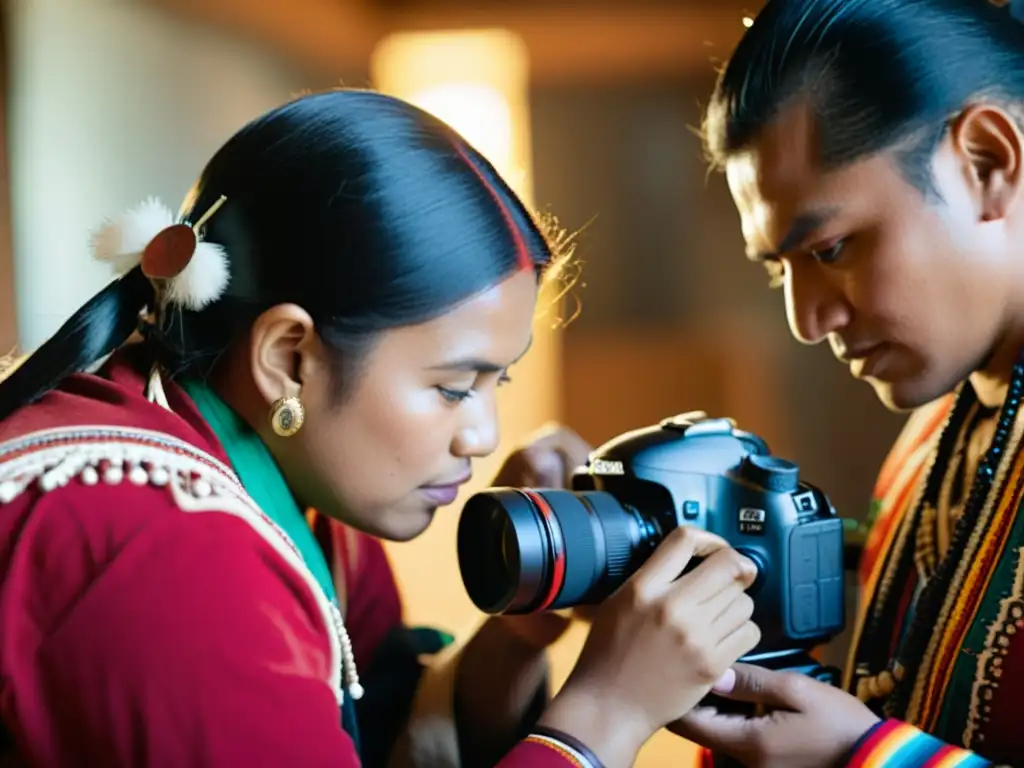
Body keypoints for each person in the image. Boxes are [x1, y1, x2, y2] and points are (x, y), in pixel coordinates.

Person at [0, 89, 762, 767]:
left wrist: (521, 631)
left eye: (502, 379)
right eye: (455, 387)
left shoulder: (285, 478)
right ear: (289, 358)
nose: (483, 436)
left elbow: (371, 728)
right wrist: (608, 715)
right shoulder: (166, 553)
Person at [671, 0, 1024, 766]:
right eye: (780, 272)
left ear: (988, 163)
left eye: (830, 249)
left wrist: (858, 757)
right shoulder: (940, 432)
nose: (807, 319)